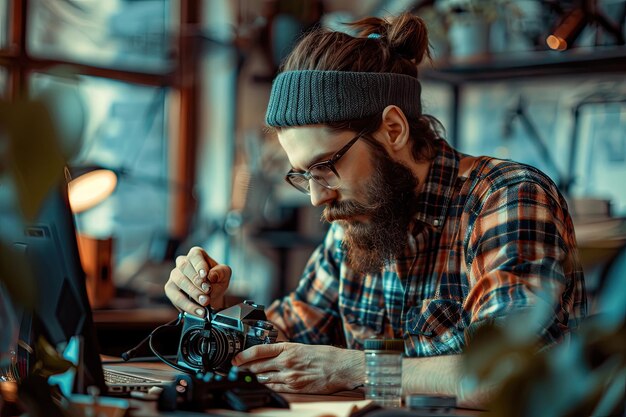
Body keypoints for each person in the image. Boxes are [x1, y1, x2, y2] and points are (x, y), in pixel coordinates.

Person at [164, 13, 586, 405]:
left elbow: (514, 375)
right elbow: (280, 339)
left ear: (394, 129)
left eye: (325, 167)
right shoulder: (356, 222)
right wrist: (215, 314)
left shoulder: (506, 199)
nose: (316, 197)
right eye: (302, 175)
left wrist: (354, 368)